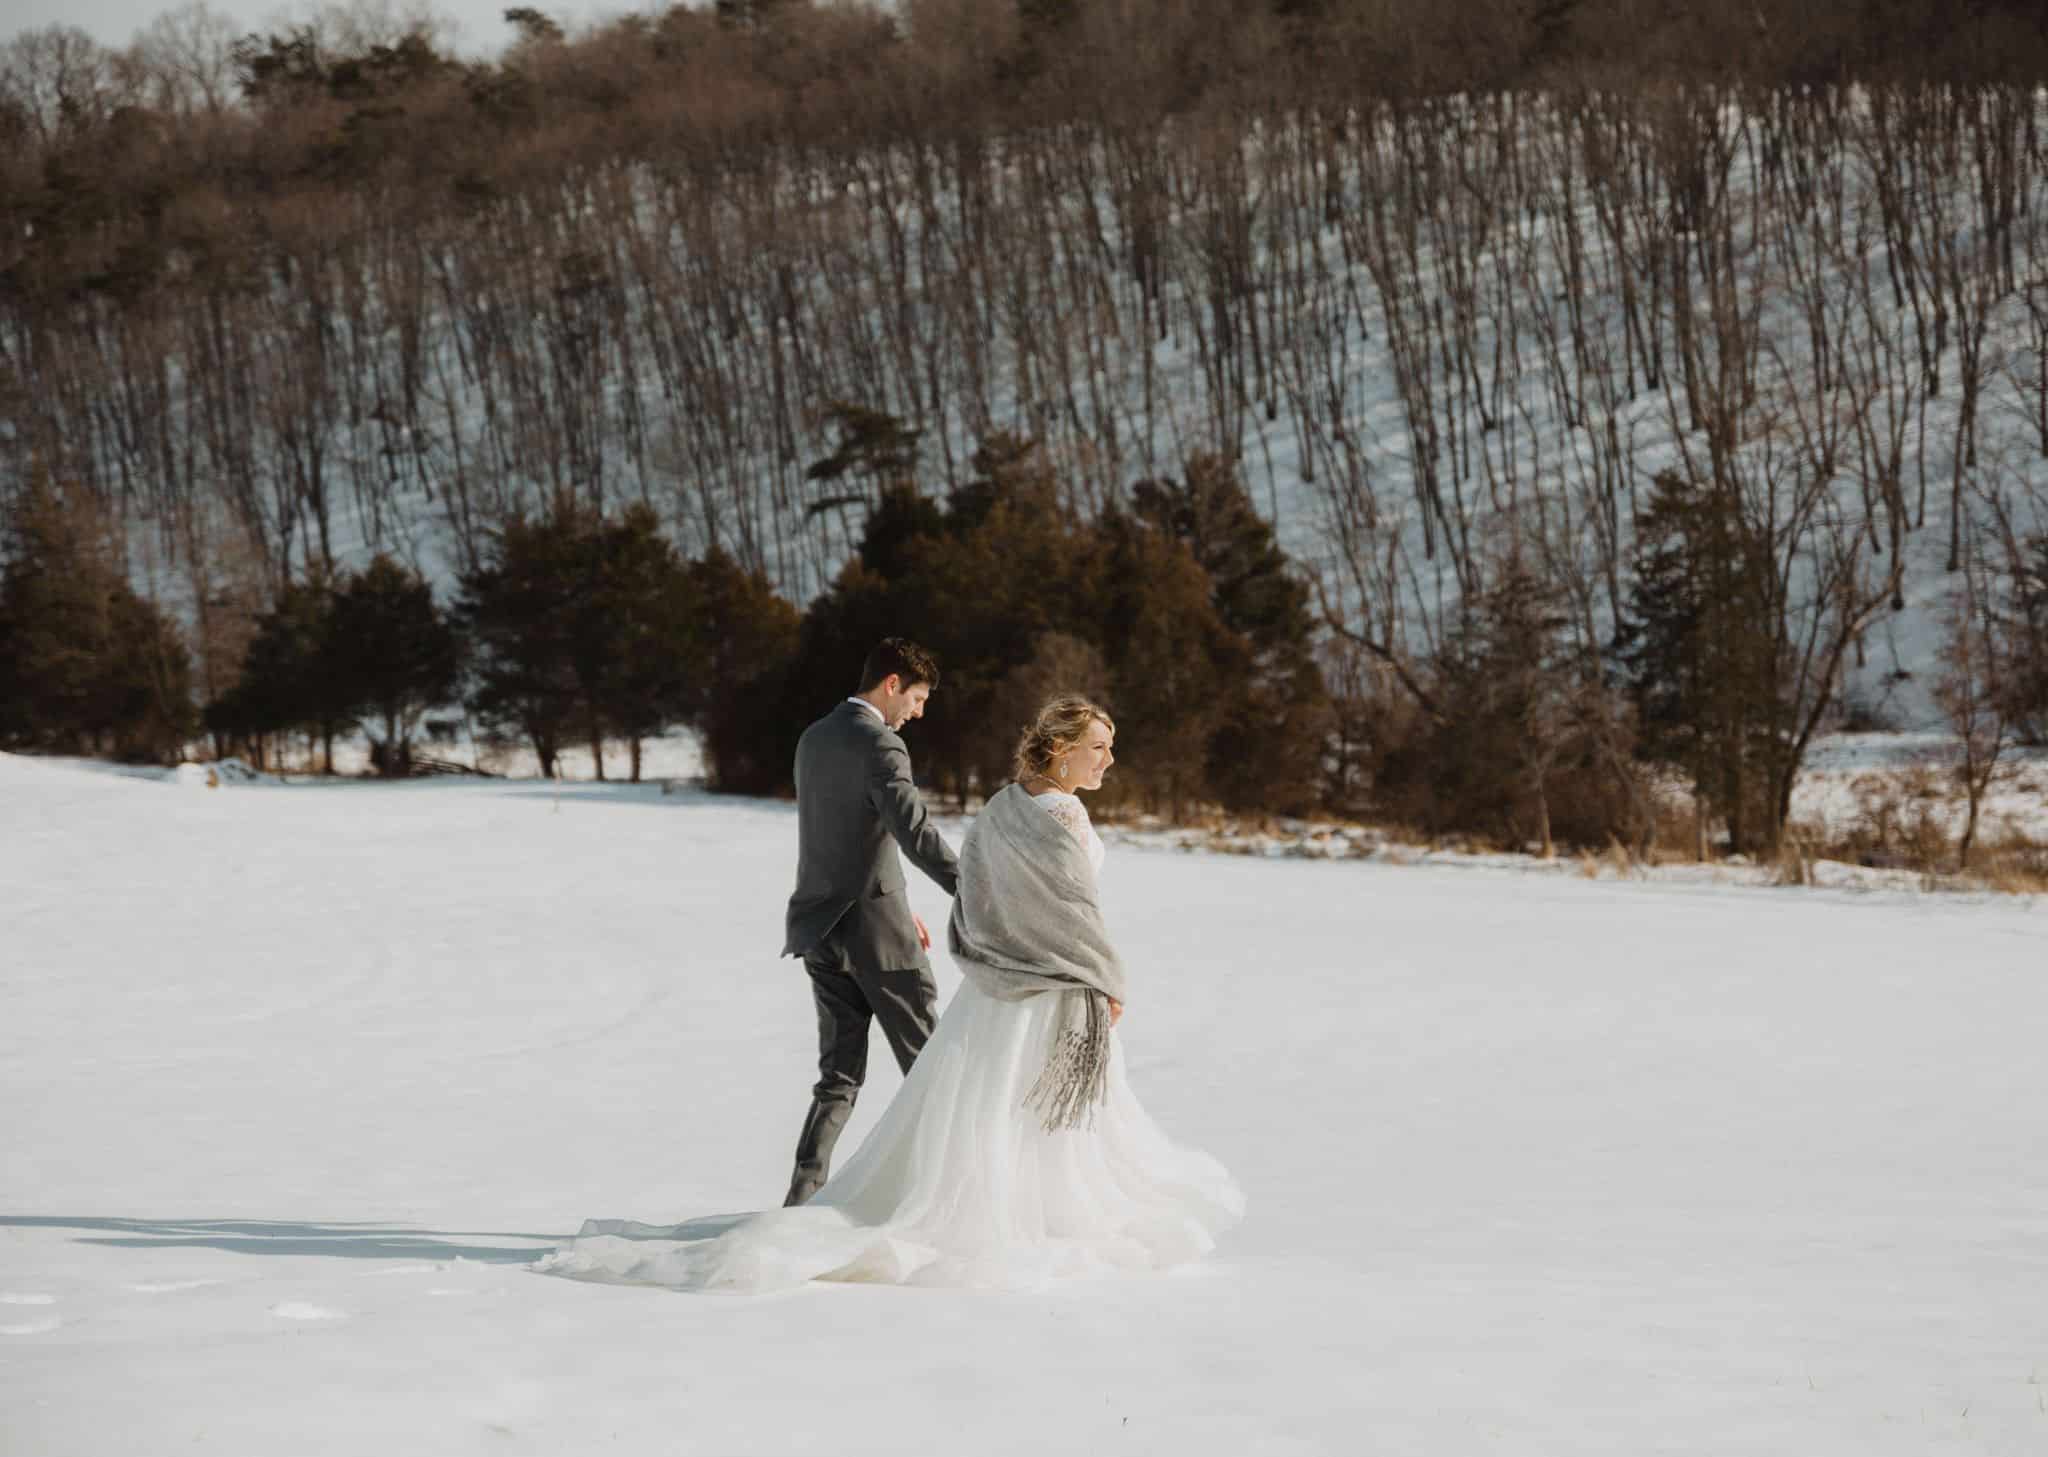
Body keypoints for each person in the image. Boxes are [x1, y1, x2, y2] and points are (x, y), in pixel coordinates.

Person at [539, 694, 1242, 1292]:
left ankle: (992, 1207)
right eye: (1098, 745)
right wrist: (1108, 978)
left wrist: (998, 952)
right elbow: (1075, 912)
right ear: (1059, 749)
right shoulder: (1064, 818)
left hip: (1000, 992)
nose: (1108, 759)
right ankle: (1039, 1219)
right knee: (1053, 1123)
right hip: (1059, 994)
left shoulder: (1001, 807)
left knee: (998, 1114)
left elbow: (977, 892)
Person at [781, 637, 960, 1207]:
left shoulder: (814, 737)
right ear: (891, 684)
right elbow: (914, 831)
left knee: (837, 1078)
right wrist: (973, 888)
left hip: (819, 928)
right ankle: (949, 1199)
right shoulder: (881, 745)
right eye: (918, 697)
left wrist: (897, 898)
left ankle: (801, 1200)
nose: (919, 712)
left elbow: (839, 833)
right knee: (931, 1067)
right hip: (877, 936)